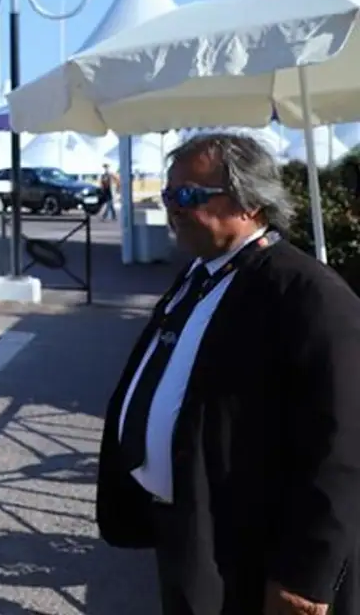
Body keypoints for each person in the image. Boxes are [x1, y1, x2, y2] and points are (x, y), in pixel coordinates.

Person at [96, 132, 360, 615]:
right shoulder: (201, 273)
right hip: (190, 530)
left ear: (250, 204)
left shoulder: (309, 295)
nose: (174, 208)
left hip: (250, 552)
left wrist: (306, 577)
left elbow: (341, 449)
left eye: (189, 195)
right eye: (169, 195)